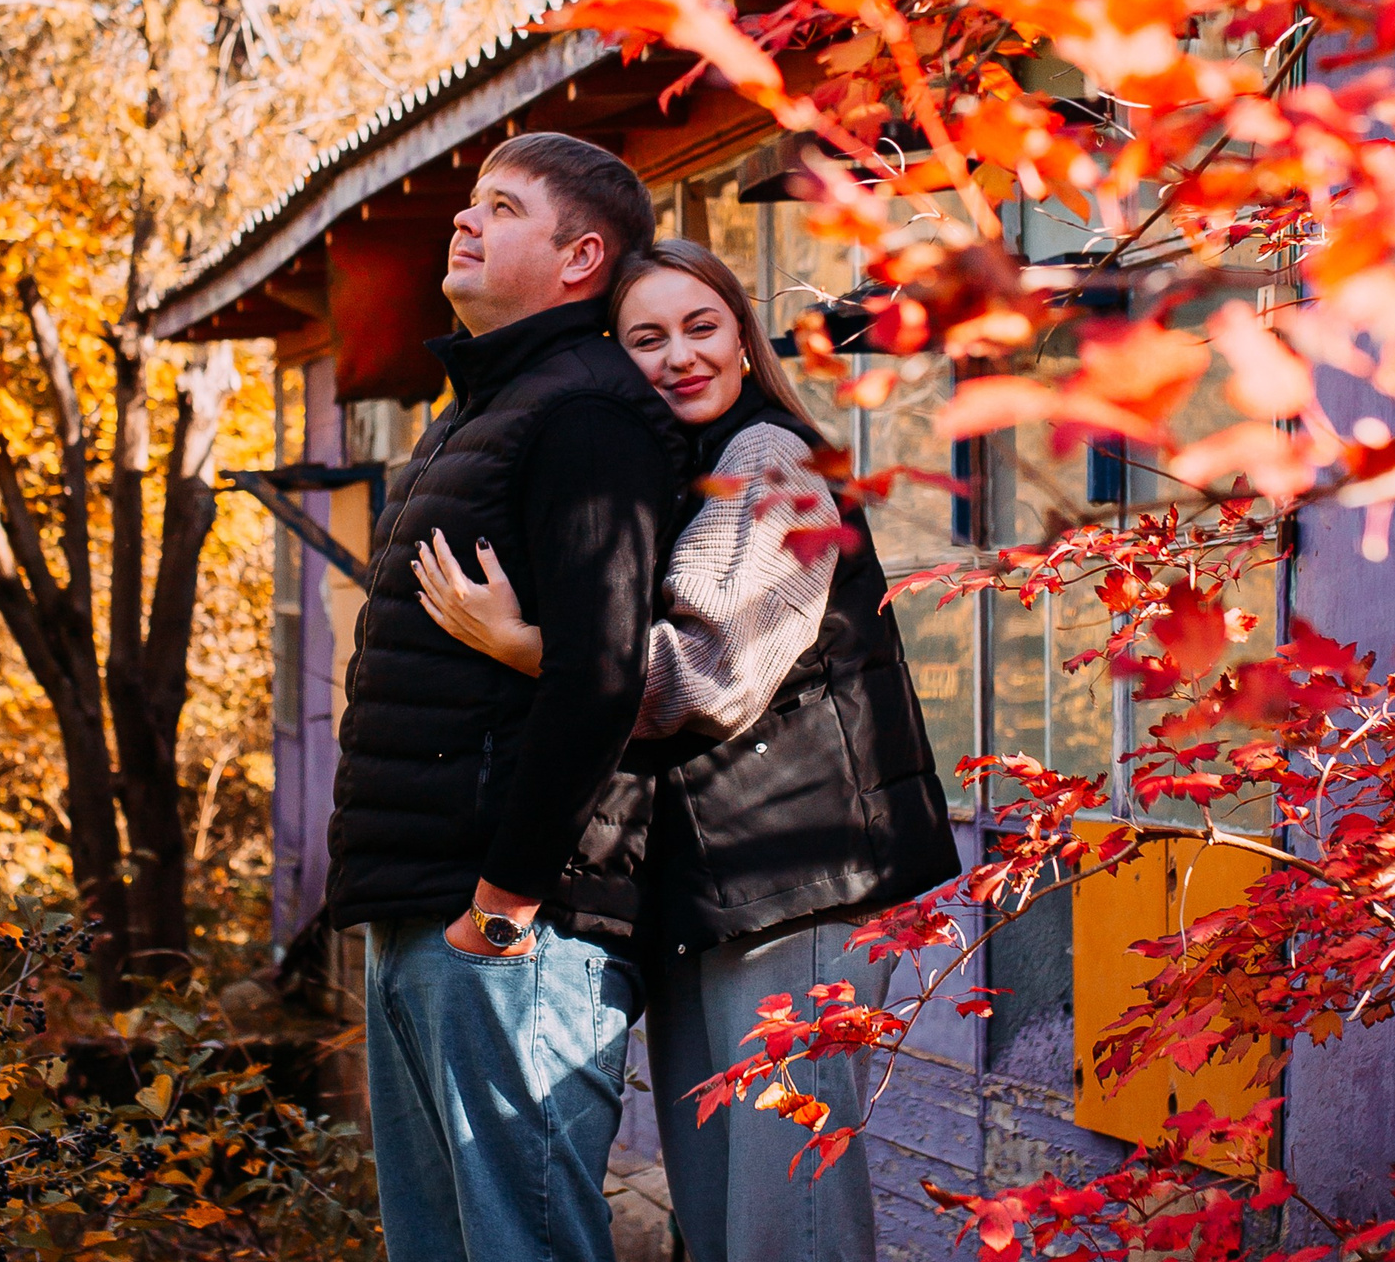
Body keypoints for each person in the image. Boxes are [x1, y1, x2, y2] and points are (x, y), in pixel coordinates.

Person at [415, 236, 959, 1262]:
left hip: (799, 883)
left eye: (701, 328)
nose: (678, 357)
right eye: (646, 339)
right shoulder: (689, 472)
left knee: (783, 1218)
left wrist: (526, 645)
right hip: (721, 890)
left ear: (744, 341)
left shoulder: (767, 459)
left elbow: (706, 675)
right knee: (717, 1215)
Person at [325, 132, 687, 1262]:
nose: (462, 222)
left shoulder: (584, 414)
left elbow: (600, 677)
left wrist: (502, 905)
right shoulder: (484, 408)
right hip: (426, 907)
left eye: (500, 207)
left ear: (580, 258)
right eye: (468, 204)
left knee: (519, 1246)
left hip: (510, 928)